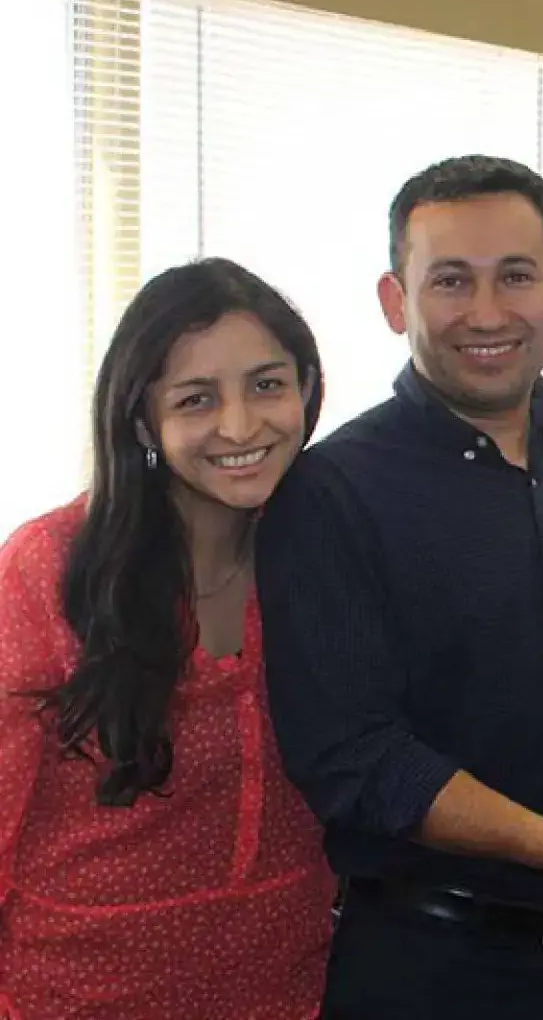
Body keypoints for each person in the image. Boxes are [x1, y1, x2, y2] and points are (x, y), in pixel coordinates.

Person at [255, 154, 543, 1020]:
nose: (487, 313)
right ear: (395, 301)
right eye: (450, 281)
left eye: (515, 276)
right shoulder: (330, 494)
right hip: (433, 974)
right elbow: (357, 757)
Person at [0, 258, 335, 1018]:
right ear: (144, 420)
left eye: (267, 385)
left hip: (283, 989)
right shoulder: (49, 568)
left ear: (307, 389)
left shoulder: (323, 554)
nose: (241, 425)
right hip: (77, 994)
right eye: (197, 399)